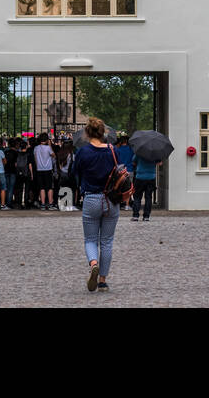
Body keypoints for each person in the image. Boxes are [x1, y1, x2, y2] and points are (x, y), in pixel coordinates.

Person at [74, 117, 122, 292]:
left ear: (87, 133)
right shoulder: (113, 150)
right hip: (111, 200)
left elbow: (75, 173)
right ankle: (102, 280)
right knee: (107, 241)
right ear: (104, 133)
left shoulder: (83, 152)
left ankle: (93, 263)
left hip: (92, 198)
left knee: (90, 240)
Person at [33, 133, 57, 210]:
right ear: (47, 140)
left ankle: (42, 204)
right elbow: (54, 156)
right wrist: (50, 145)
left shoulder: (36, 148)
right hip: (48, 169)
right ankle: (50, 204)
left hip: (39, 169)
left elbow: (35, 159)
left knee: (42, 188)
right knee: (49, 187)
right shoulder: (48, 148)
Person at [131, 157, 159, 221]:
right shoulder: (155, 154)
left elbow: (133, 162)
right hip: (151, 177)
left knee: (137, 197)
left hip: (140, 177)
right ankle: (146, 216)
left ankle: (135, 215)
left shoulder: (139, 153)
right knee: (148, 197)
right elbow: (160, 163)